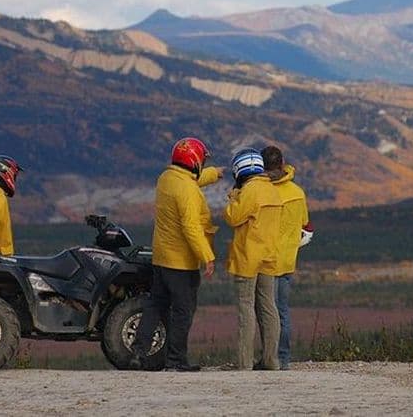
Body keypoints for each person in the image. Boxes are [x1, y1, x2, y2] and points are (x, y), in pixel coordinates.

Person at [133, 137, 221, 372]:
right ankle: (176, 360)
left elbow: (189, 181)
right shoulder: (188, 191)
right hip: (181, 263)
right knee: (183, 311)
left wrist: (214, 174)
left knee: (155, 305)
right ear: (194, 161)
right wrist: (207, 256)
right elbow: (191, 227)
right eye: (201, 160)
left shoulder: (166, 179)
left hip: (161, 258)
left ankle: (138, 350)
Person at [223, 148, 283, 370]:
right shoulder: (272, 190)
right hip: (269, 256)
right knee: (269, 307)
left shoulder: (250, 191)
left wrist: (233, 196)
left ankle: (244, 362)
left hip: (248, 258)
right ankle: (271, 360)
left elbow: (232, 217)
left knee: (246, 308)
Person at [261, 146, 312, 370]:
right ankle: (283, 359)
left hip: (265, 259)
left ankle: (268, 358)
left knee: (265, 311)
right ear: (282, 164)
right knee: (282, 311)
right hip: (287, 259)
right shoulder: (297, 192)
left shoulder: (260, 191)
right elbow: (304, 224)